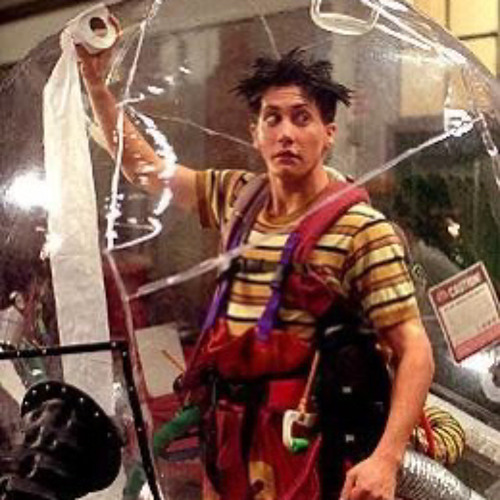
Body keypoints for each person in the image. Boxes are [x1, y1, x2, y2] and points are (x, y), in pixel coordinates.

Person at [77, 37, 434, 500]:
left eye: (301, 118)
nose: (286, 133)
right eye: (273, 118)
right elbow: (142, 169)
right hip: (229, 438)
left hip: (308, 446)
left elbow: (414, 349)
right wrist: (96, 87)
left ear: (329, 133)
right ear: (255, 132)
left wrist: (386, 458)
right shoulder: (238, 197)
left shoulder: (362, 230)